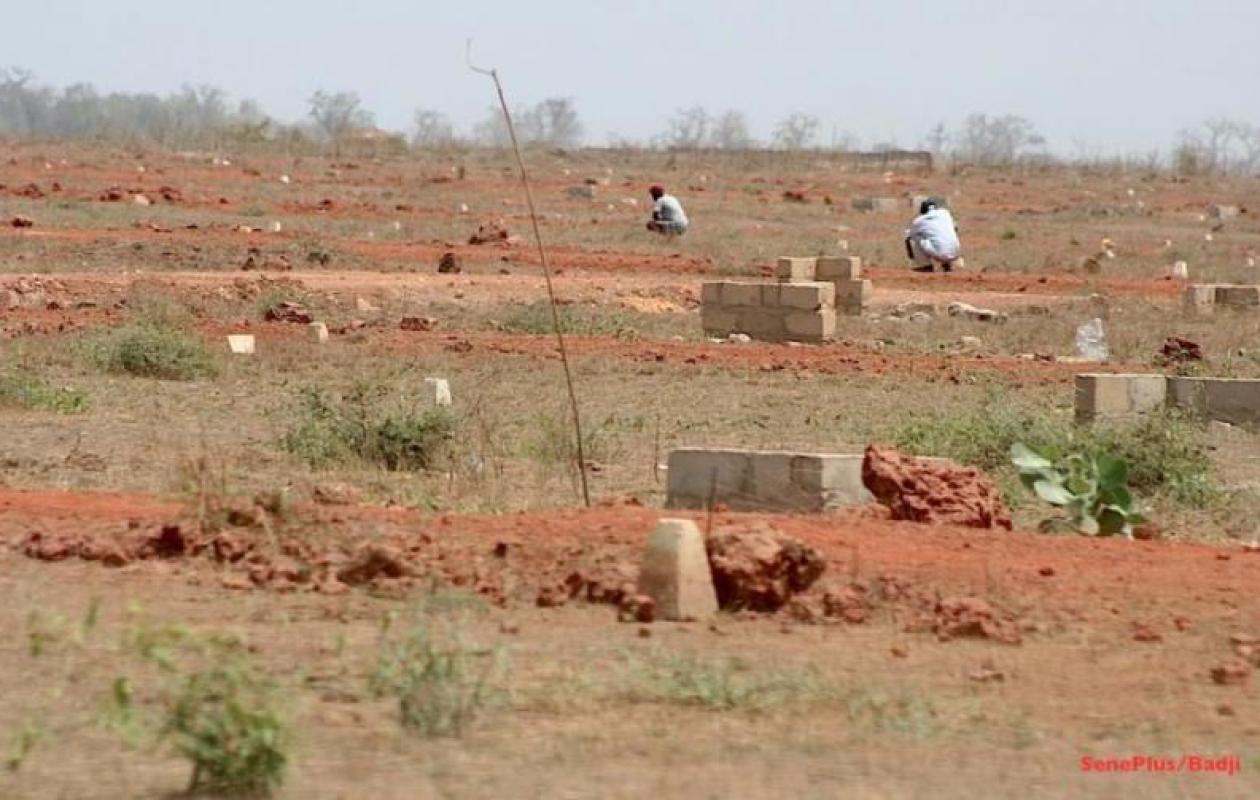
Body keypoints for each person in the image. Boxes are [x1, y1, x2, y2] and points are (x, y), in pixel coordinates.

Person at [905, 198, 963, 272]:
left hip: (941, 254)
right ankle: (947, 265)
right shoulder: (945, 213)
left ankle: (925, 266)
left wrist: (911, 256)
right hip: (956, 252)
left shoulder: (919, 221)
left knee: (916, 237)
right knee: (943, 233)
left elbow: (909, 237)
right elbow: (955, 228)